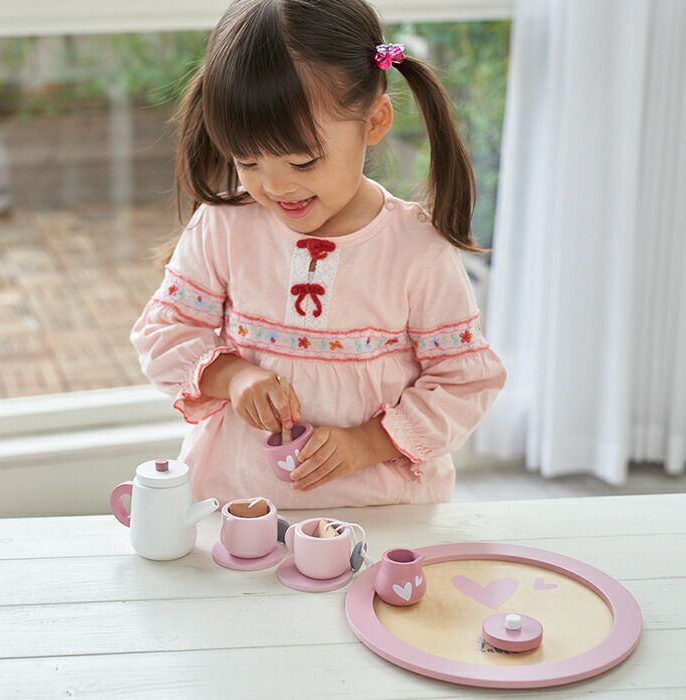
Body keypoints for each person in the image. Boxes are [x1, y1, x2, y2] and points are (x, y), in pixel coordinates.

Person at [130, 0, 508, 509]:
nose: (276, 186)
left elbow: (466, 383)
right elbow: (163, 331)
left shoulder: (416, 250)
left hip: (381, 515)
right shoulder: (224, 224)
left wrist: (368, 443)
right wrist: (234, 376)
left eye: (303, 161)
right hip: (234, 507)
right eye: (248, 161)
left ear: (374, 121)